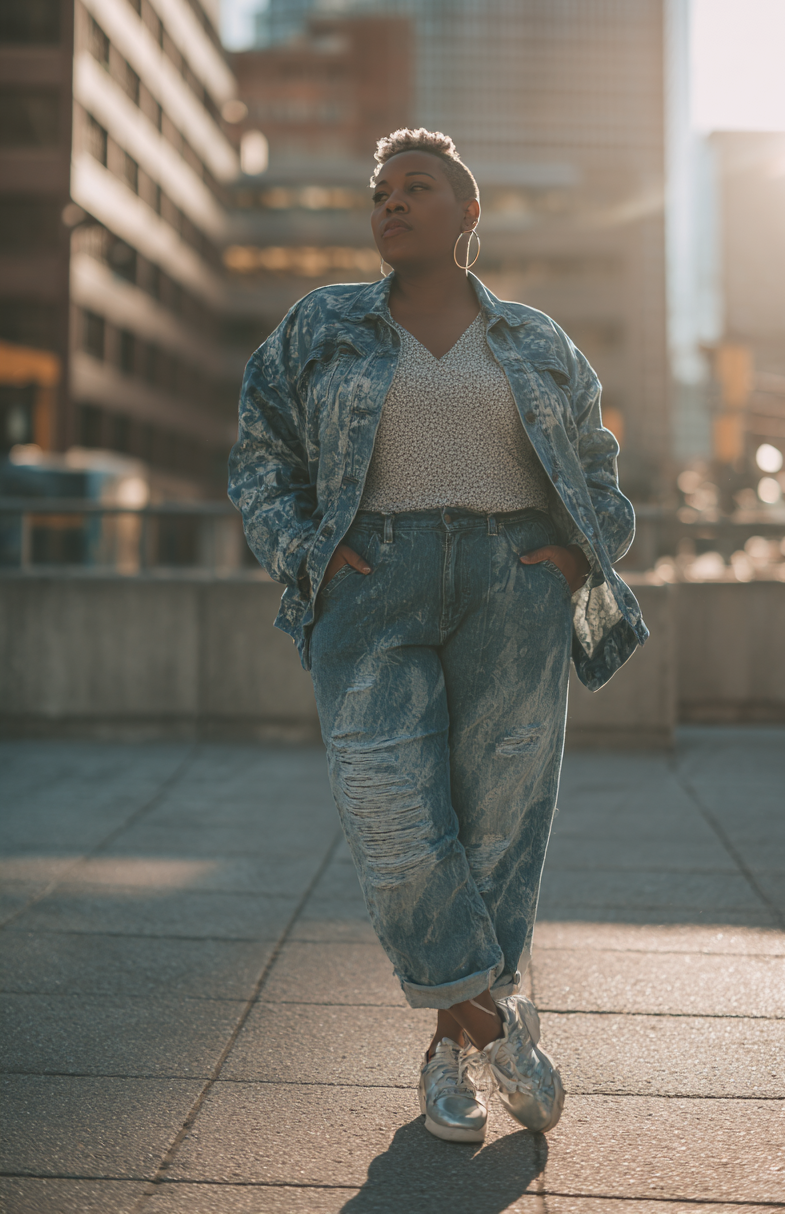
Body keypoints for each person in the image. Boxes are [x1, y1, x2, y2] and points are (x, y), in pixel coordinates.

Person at [229, 128, 648, 1144]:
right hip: (371, 585)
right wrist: (308, 554)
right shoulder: (320, 326)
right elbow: (257, 457)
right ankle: (499, 1022)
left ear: (466, 214)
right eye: (379, 191)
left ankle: (445, 1058)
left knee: (500, 823)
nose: (390, 203)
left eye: (416, 187)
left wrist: (567, 557)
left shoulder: (537, 340)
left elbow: (597, 470)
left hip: (514, 590)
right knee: (390, 810)